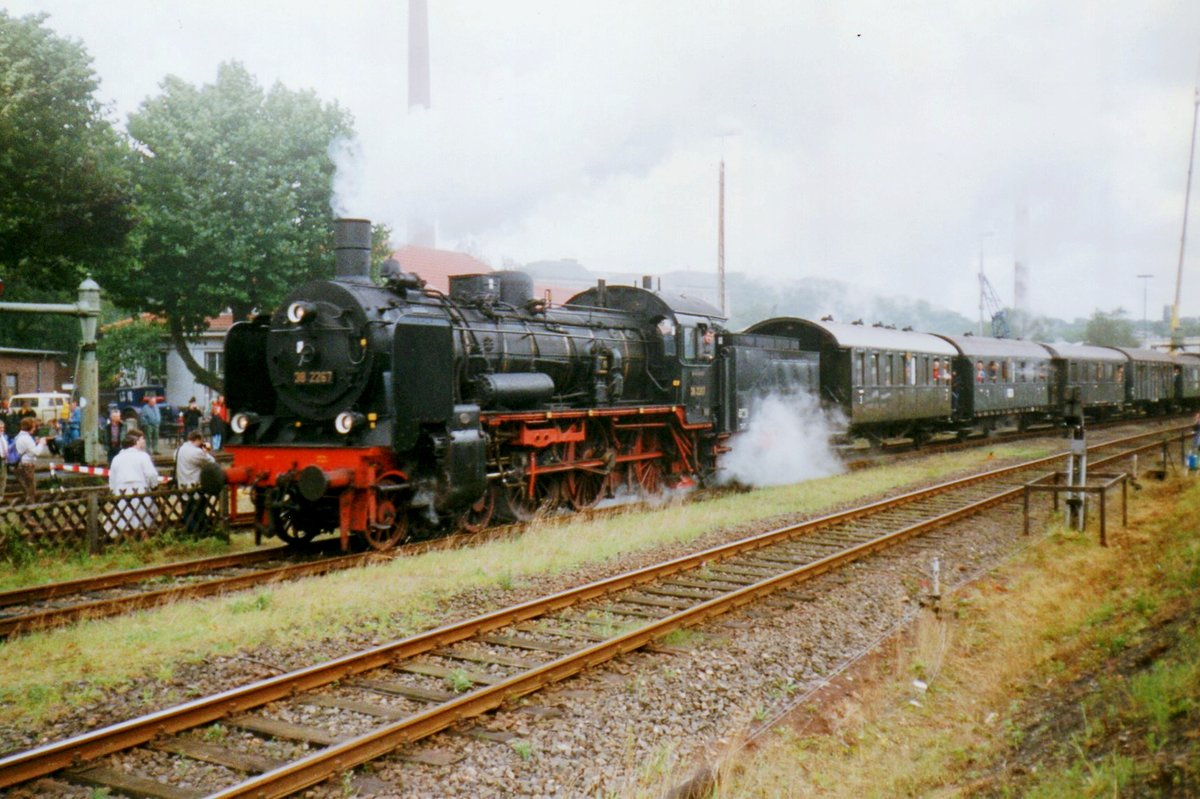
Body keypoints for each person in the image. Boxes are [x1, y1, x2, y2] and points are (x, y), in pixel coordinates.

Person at [107, 430, 160, 538]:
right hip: (141, 490)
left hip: (121, 492)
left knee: (124, 518)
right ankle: (145, 542)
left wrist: (113, 490)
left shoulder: (116, 458)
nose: (143, 441)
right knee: (143, 518)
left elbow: (112, 478)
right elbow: (151, 475)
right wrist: (154, 486)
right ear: (135, 442)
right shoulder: (143, 456)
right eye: (141, 440)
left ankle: (128, 542)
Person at [175, 430, 216, 533]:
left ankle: (190, 531)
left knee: (188, 512)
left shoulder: (179, 450)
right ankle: (198, 532)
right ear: (198, 440)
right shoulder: (196, 452)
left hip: (183, 486)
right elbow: (211, 462)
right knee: (199, 511)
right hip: (196, 487)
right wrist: (205, 451)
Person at [13, 417, 50, 504]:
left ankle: (25, 509)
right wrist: (41, 443)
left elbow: (27, 448)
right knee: (31, 490)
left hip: (19, 465)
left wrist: (35, 443)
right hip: (27, 466)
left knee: (26, 489)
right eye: (34, 426)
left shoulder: (18, 436)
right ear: (30, 427)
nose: (35, 429)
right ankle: (29, 511)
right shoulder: (27, 438)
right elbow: (36, 452)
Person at [0, 421, 9, 500]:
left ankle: (1, 495)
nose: (2, 429)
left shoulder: (4, 437)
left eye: (3, 428)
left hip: (3, 459)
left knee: (3, 477)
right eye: (0, 428)